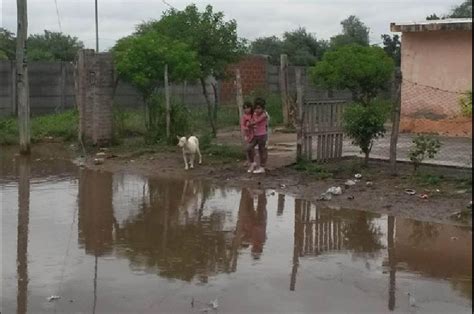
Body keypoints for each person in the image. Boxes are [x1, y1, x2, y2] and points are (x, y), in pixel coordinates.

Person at [247, 97, 268, 174]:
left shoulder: (264, 115)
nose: (257, 110)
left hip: (262, 135)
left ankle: (262, 167)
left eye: (259, 108)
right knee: (249, 148)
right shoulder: (255, 114)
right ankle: (252, 163)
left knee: (261, 150)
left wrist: (250, 124)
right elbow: (251, 120)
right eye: (255, 108)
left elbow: (256, 122)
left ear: (263, 108)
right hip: (255, 135)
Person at [240, 101, 255, 166]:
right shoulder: (244, 116)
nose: (246, 110)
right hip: (247, 134)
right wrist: (245, 128)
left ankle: (253, 160)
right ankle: (248, 160)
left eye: (248, 108)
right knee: (248, 148)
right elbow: (242, 124)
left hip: (254, 133)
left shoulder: (253, 115)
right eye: (245, 108)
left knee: (252, 147)